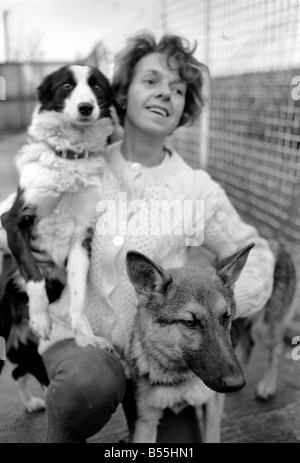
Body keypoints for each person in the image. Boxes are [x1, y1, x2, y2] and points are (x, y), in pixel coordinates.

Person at [0, 32, 275, 443]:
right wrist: (22, 243)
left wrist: (225, 300)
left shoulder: (196, 189)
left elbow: (259, 254)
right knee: (89, 385)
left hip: (163, 359)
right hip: (82, 343)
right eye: (151, 81)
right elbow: (10, 215)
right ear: (122, 95)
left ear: (185, 108)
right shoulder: (80, 162)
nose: (165, 93)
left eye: (178, 89)